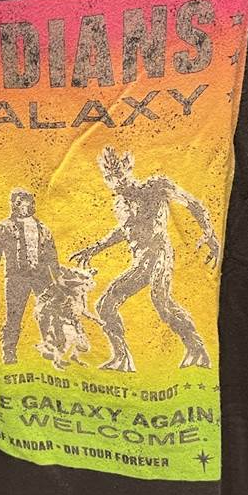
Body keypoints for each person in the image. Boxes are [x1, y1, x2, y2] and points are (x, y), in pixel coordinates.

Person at [71, 148, 219, 372]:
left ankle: (195, 350)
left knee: (158, 303)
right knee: (112, 304)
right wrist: (96, 247)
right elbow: (125, 230)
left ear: (128, 171)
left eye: (119, 175)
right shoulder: (120, 203)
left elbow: (193, 203)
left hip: (159, 254)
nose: (115, 181)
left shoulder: (155, 186)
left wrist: (209, 233)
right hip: (141, 261)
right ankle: (124, 358)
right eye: (109, 177)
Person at [0, 189, 60, 364]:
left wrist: (58, 278)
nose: (25, 206)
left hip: (42, 277)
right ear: (14, 205)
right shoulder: (3, 228)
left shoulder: (43, 228)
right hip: (17, 278)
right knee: (14, 315)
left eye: (28, 202)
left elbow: (52, 256)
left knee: (48, 311)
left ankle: (50, 347)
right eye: (20, 203)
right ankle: (9, 351)